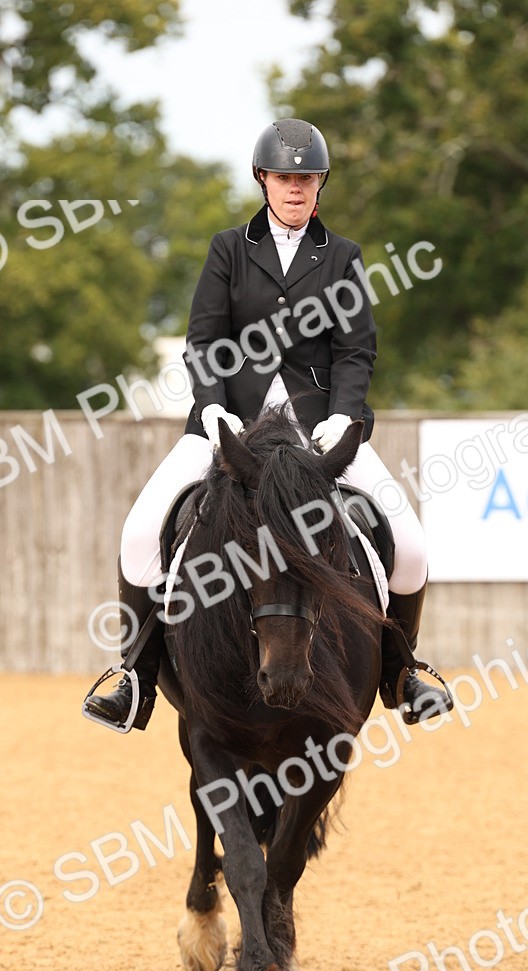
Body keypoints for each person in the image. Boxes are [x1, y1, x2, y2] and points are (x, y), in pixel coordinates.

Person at [84, 119, 452, 731]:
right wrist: (212, 406)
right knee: (139, 534)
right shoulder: (229, 249)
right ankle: (135, 678)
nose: (296, 188)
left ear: (320, 185)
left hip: (322, 434)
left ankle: (401, 673)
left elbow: (356, 351)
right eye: (285, 177)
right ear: (263, 180)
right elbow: (204, 340)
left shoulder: (341, 257)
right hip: (233, 428)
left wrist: (344, 417)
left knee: (410, 547)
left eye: (307, 178)